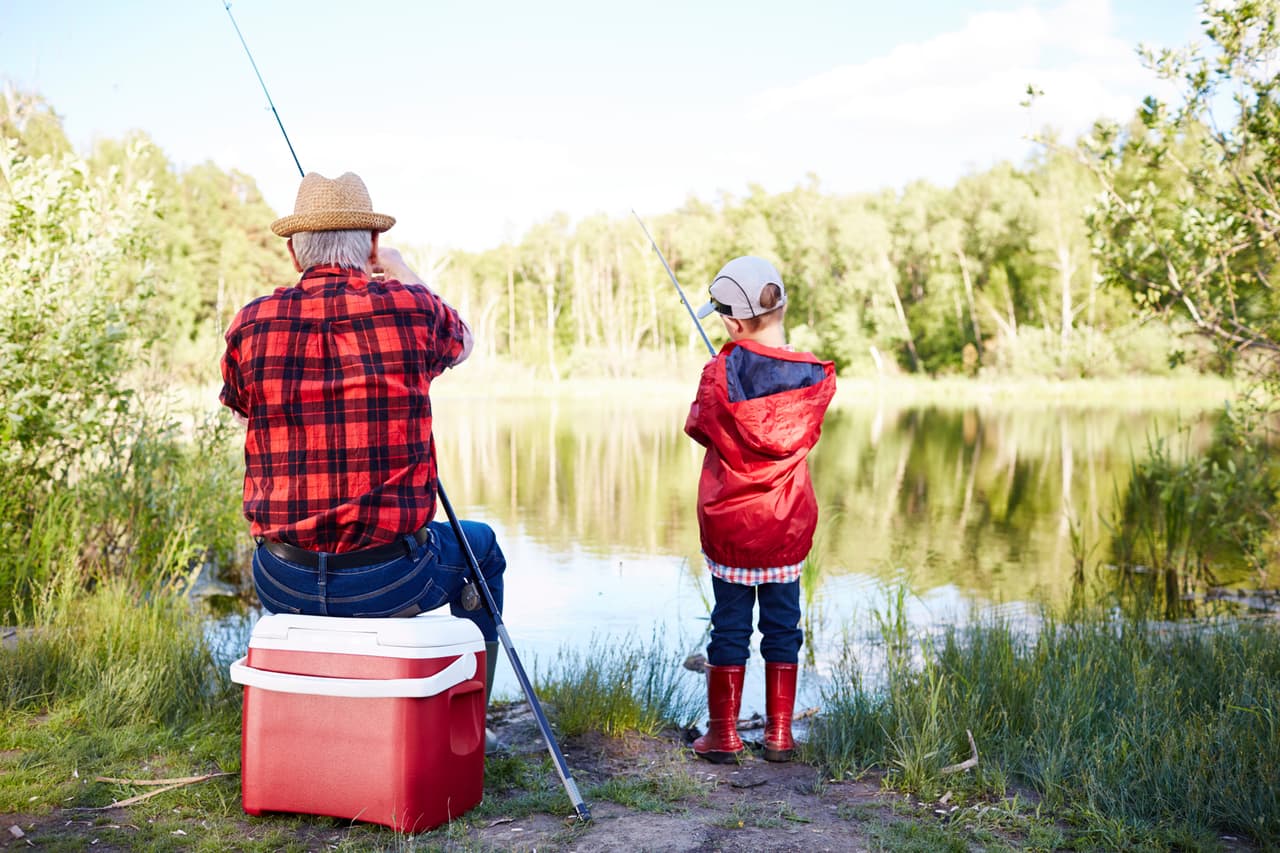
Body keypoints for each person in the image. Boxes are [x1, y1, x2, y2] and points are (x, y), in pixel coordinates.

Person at [219, 171, 506, 711]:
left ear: (293, 252)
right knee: (482, 547)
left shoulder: (250, 324)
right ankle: (474, 718)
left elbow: (242, 412)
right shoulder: (410, 307)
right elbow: (463, 341)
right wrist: (399, 270)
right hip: (391, 580)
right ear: (372, 246)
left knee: (465, 543)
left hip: (283, 579)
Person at [684, 255, 836, 763]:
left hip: (732, 524)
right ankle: (779, 735)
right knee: (783, 625)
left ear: (730, 322)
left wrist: (725, 364)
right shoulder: (814, 375)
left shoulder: (718, 372)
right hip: (786, 523)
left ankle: (724, 737)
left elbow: (700, 427)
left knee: (730, 625)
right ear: (782, 305)